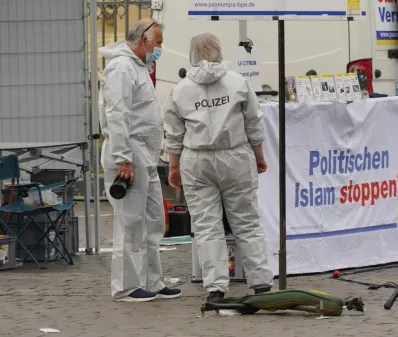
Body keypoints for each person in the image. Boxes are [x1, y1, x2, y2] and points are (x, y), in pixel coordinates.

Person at [163, 33, 274, 302]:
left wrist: (174, 167)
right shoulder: (237, 82)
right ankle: (260, 282)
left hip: (196, 160)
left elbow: (173, 134)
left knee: (206, 226)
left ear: (192, 54)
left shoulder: (180, 90)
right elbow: (253, 123)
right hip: (234, 155)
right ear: (219, 50)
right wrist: (259, 155)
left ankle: (215, 287)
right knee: (246, 221)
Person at [99, 19, 181, 302]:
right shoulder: (122, 68)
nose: (159, 49)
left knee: (153, 220)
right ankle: (125, 286)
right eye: (157, 43)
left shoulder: (138, 67)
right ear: (143, 40)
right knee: (131, 222)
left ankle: (151, 280)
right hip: (130, 156)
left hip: (142, 155)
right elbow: (118, 114)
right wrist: (123, 158)